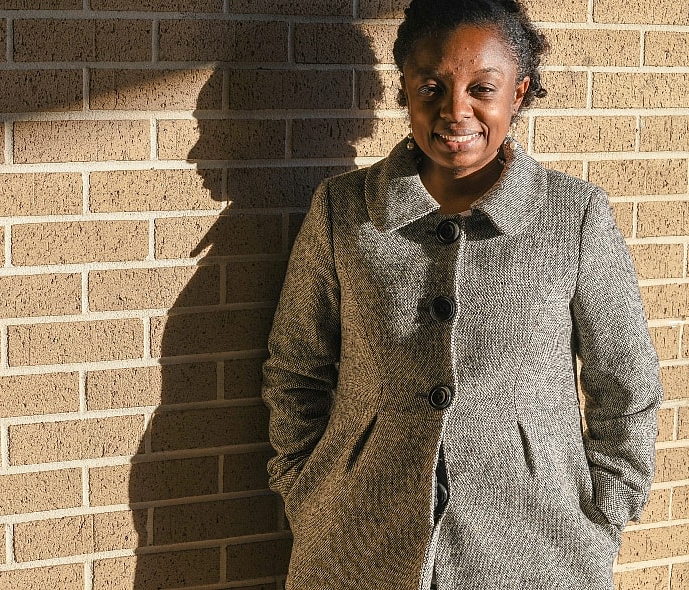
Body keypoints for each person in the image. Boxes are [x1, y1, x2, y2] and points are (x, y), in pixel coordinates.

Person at [260, 0, 664, 588]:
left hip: (538, 543)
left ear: (518, 92)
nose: (456, 111)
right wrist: (307, 482)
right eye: (431, 86)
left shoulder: (574, 217)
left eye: (482, 88)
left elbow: (625, 381)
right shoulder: (343, 211)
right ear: (404, 89)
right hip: (356, 532)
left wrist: (603, 513)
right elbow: (296, 366)